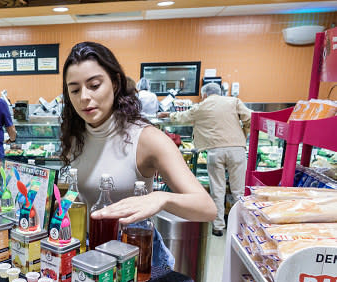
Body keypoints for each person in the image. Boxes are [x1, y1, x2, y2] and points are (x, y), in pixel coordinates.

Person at [60, 41, 216, 264]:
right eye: (74, 89)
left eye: (94, 85)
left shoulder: (146, 138)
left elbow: (207, 208)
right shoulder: (75, 136)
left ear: (114, 83)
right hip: (89, 258)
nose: (83, 96)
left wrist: (161, 198)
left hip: (135, 261)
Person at [158, 82, 251, 236]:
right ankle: (241, 227)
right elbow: (250, 118)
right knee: (239, 191)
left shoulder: (202, 106)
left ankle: (218, 226)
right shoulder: (234, 102)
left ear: (205, 95)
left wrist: (167, 115)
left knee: (217, 190)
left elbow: (182, 117)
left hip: (215, 151)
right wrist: (243, 133)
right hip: (237, 150)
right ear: (220, 92)